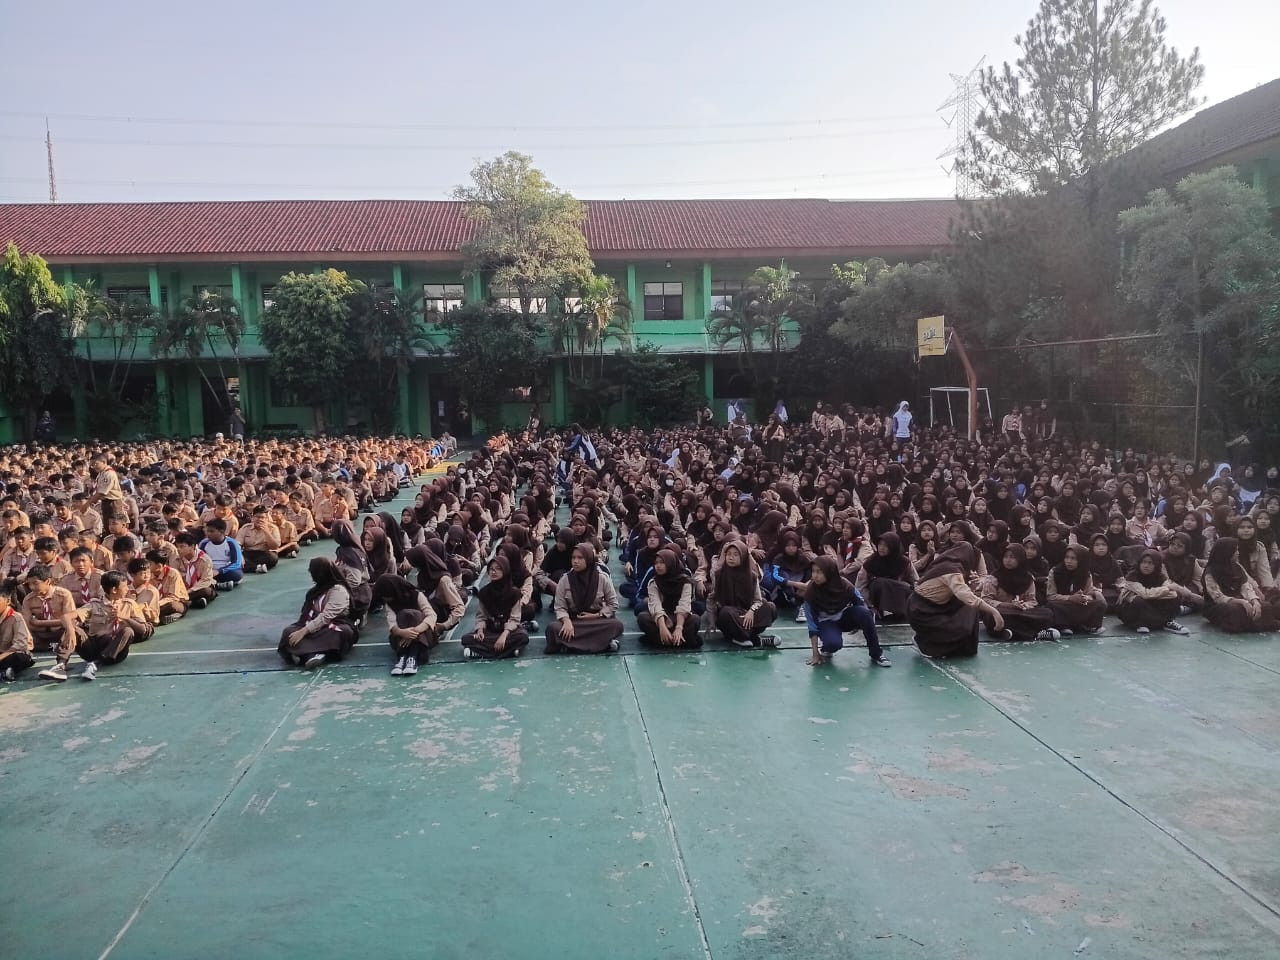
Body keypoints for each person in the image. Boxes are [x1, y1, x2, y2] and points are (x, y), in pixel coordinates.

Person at [908, 543, 1005, 658]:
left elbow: (960, 595)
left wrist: (972, 586)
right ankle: (924, 643)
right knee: (963, 624)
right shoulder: (951, 570)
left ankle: (961, 646)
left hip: (928, 607)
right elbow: (968, 598)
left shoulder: (947, 566)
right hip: (922, 612)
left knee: (969, 610)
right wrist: (994, 612)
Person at [803, 555, 891, 667]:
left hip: (843, 617)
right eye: (813, 571)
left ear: (830, 572)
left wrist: (858, 624)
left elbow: (860, 603)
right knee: (833, 644)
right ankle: (827, 647)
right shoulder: (810, 593)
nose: (815, 576)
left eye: (819, 572)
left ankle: (876, 654)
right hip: (826, 622)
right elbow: (812, 625)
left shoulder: (845, 585)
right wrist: (815, 653)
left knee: (865, 613)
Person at [278, 558, 358, 669]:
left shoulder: (338, 590)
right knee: (288, 632)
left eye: (313, 572)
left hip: (334, 624)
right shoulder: (315, 591)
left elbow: (326, 616)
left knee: (344, 632)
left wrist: (304, 631)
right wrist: (302, 629)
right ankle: (313, 654)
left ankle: (303, 653)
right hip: (313, 624)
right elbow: (306, 615)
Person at [545, 543, 624, 654]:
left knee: (616, 625)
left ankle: (569, 645)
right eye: (573, 558)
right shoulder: (565, 579)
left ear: (588, 559)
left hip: (595, 620)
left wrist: (596, 615)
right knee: (552, 628)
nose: (575, 561)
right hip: (573, 620)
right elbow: (559, 607)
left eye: (580, 558)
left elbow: (613, 604)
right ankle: (602, 644)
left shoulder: (602, 578)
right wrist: (566, 621)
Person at [72, 571, 149, 680]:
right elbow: (75, 615)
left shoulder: (129, 605)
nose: (128, 589)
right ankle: (60, 664)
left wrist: (125, 617)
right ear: (114, 590)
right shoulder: (94, 604)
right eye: (125, 586)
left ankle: (96, 663)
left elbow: (142, 630)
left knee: (128, 631)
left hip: (116, 652)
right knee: (73, 629)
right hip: (95, 647)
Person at [978, 544, 1058, 641]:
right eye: (1006, 556)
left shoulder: (1028, 578)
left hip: (1020, 612)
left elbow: (1032, 601)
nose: (1008, 560)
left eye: (1012, 557)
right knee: (992, 616)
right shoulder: (993, 578)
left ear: (1020, 559)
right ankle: (1036, 634)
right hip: (1002, 610)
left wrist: (1023, 605)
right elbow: (985, 600)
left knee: (1047, 613)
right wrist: (1007, 605)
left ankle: (1011, 632)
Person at [709, 539, 778, 648]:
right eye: (729, 554)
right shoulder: (718, 575)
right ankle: (754, 639)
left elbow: (758, 600)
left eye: (736, 555)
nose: (731, 557)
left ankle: (742, 637)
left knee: (769, 607)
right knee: (726, 613)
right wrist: (711, 622)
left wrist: (751, 611)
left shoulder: (752, 576)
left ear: (743, 557)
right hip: (730, 615)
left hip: (746, 612)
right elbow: (711, 599)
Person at [1203, 538, 1280, 633]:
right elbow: (1217, 596)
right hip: (1218, 605)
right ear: (1226, 552)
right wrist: (1241, 602)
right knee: (1234, 610)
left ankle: (1251, 624)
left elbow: (1246, 587)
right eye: (1235, 550)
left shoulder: (1236, 567)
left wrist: (1254, 601)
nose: (1238, 553)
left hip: (1240, 600)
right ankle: (1249, 625)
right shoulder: (1210, 571)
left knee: (1265, 606)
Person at [464, 555, 530, 660]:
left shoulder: (514, 593)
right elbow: (481, 616)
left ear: (506, 570)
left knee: (522, 636)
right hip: (491, 629)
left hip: (508, 631)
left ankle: (482, 652)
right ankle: (509, 652)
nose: (493, 572)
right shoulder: (484, 593)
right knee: (466, 639)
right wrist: (480, 630)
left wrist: (504, 636)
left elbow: (514, 619)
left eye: (498, 569)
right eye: (491, 569)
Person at [371, 574, 439, 675]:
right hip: (401, 638)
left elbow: (432, 616)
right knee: (403, 615)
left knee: (413, 614)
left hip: (423, 636)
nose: (385, 599)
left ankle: (412, 657)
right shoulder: (389, 604)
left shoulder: (417, 595)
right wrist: (402, 632)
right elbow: (392, 625)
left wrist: (413, 632)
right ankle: (402, 657)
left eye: (386, 595)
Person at [637, 548, 701, 649]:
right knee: (643, 618)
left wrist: (679, 628)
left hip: (680, 619)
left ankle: (660, 640)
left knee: (695, 620)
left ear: (671, 563)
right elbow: (655, 605)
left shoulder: (686, 582)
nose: (658, 566)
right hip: (661, 619)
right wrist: (662, 626)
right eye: (656, 563)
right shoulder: (653, 582)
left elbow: (684, 606)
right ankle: (678, 640)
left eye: (662, 562)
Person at [1116, 550, 1188, 635]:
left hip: (1149, 606)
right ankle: (1163, 622)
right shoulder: (1132, 576)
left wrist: (1161, 592)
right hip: (1128, 609)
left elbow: (1173, 594)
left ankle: (1160, 622)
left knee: (1175, 597)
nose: (1146, 566)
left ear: (1156, 565)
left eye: (1151, 563)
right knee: (1138, 600)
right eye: (1144, 562)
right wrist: (1165, 589)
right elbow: (1145, 594)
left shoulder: (1160, 576)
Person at [1046, 544, 1107, 636]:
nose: (1069, 561)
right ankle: (1063, 626)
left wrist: (1083, 597)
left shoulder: (1086, 574)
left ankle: (1090, 626)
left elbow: (1090, 594)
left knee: (1099, 603)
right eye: (1067, 557)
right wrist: (1070, 598)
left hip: (1079, 604)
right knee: (1051, 605)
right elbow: (1051, 596)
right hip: (1062, 604)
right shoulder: (1055, 572)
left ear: (1081, 560)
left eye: (1073, 558)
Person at [0, 582, 35, 682]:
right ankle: (5, 672)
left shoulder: (16, 617)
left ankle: (6, 671)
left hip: (11, 653)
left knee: (19, 658)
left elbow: (20, 645)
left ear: (8, 601)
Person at [199, 518, 244, 591]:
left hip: (225, 571)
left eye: (211, 531)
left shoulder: (231, 543)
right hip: (209, 570)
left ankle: (213, 584)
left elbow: (236, 563)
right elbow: (199, 561)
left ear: (222, 532)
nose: (208, 534)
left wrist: (219, 571)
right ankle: (218, 585)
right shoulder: (203, 543)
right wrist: (208, 571)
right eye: (207, 531)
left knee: (237, 574)